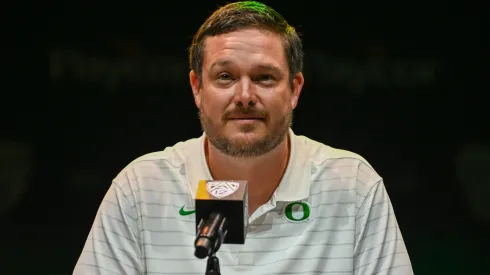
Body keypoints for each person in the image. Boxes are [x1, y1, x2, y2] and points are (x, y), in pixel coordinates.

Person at [73, 1, 413, 274]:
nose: (245, 95)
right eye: (225, 76)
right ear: (197, 88)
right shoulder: (140, 189)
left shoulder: (353, 186)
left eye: (264, 77)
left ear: (294, 89)